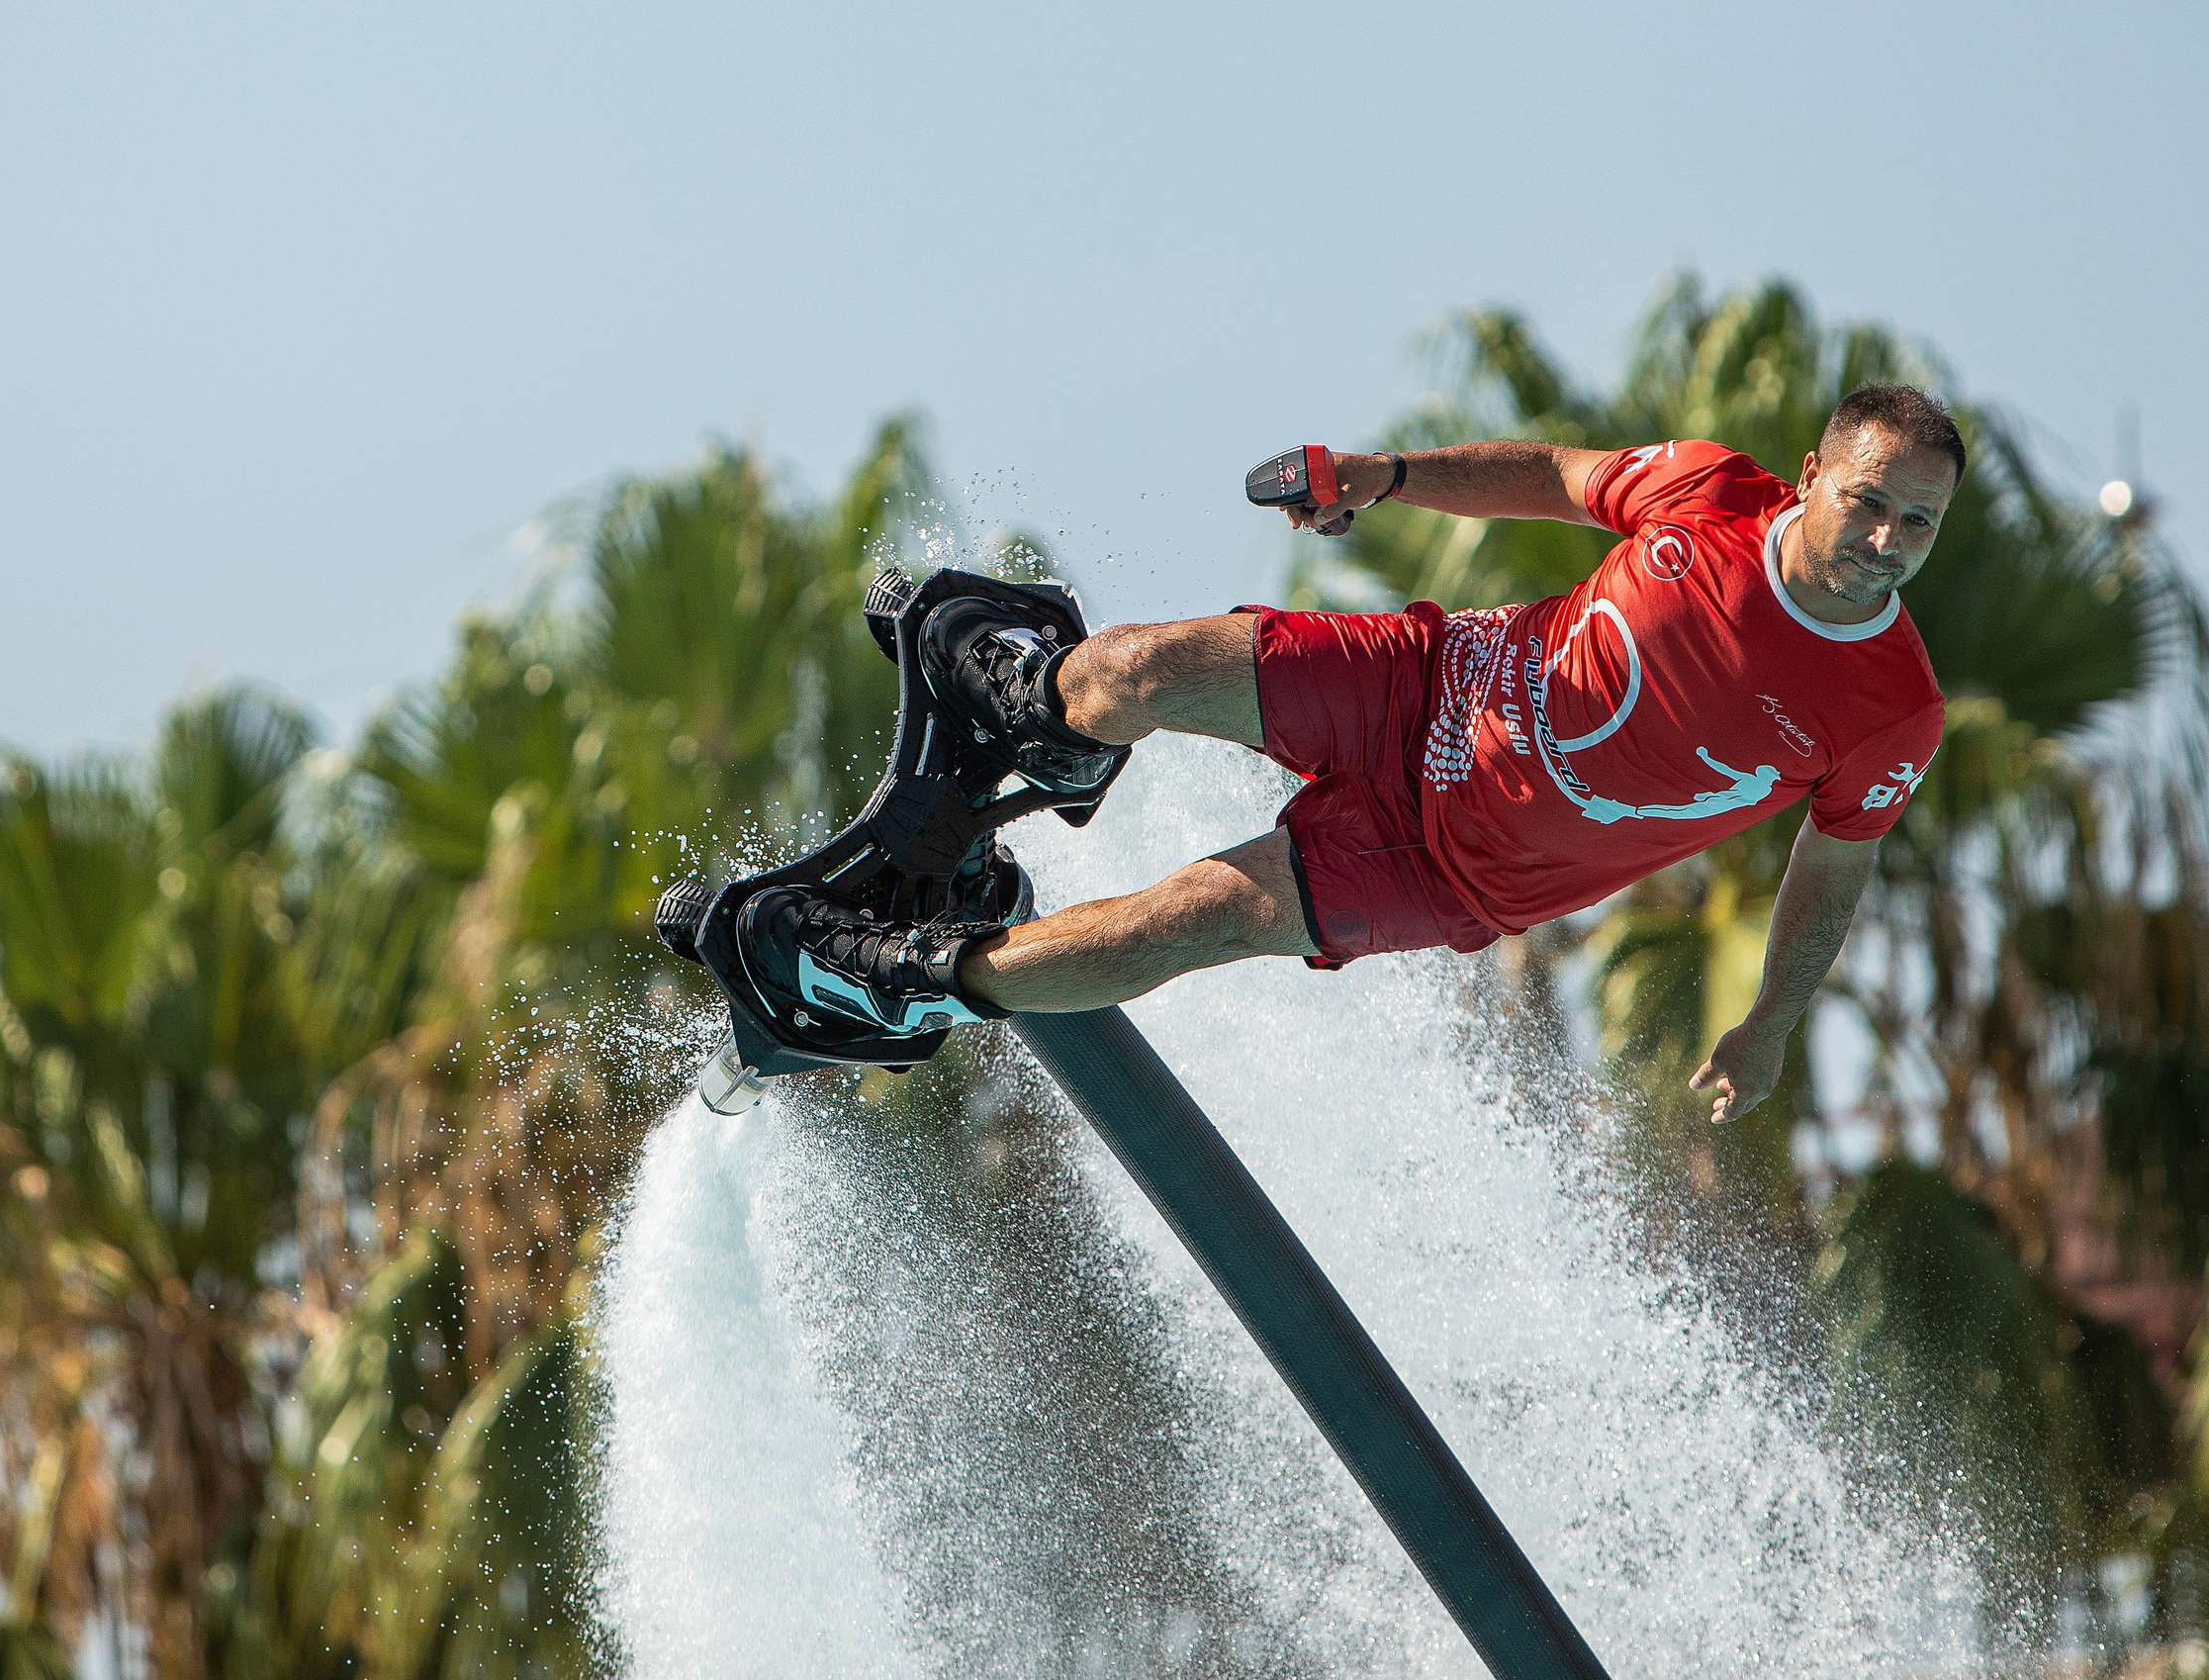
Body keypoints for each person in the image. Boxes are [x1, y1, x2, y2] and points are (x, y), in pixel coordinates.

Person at [742, 384, 1960, 1126]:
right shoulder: (1709, 494)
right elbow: (1553, 475)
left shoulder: (1890, 710)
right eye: (1867, 500)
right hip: (1423, 684)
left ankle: (895, 975)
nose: (1887, 537)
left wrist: (1774, 1021)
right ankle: (1047, 725)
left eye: (1918, 521)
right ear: (1810, 478)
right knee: (1138, 671)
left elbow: (1832, 863)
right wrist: (1383, 476)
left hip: (1451, 870)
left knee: (1180, 923)